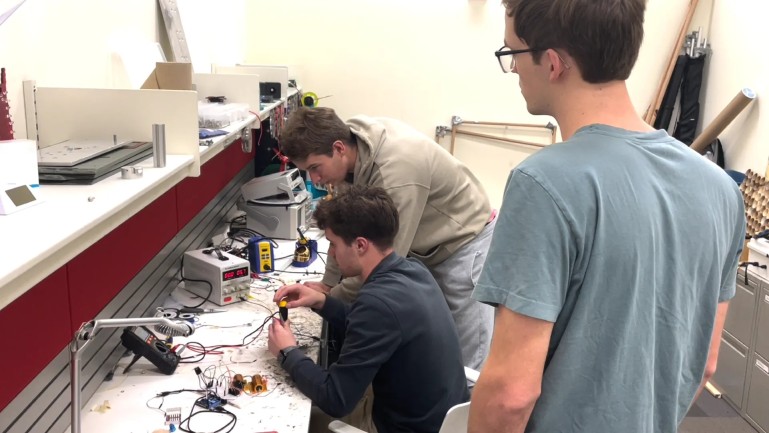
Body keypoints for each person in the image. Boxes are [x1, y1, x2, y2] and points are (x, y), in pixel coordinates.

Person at [468, 1, 746, 432]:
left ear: (554, 64)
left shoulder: (542, 183)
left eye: (513, 55)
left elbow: (510, 395)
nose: (515, 70)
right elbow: (704, 364)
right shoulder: (722, 190)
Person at [279, 106, 495, 370]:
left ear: (338, 148)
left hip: (465, 245)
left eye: (315, 168)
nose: (315, 178)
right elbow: (343, 227)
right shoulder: (353, 151)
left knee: (468, 361)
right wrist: (328, 284)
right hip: (428, 248)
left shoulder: (395, 174)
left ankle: (467, 412)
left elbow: (382, 263)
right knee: (437, 354)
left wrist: (332, 298)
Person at [267, 185, 469, 433]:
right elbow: (374, 328)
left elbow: (336, 399)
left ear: (360, 245)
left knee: (301, 420)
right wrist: (322, 301)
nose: (331, 254)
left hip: (401, 428)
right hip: (442, 420)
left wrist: (287, 352)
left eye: (333, 244)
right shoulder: (413, 269)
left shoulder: (378, 303)